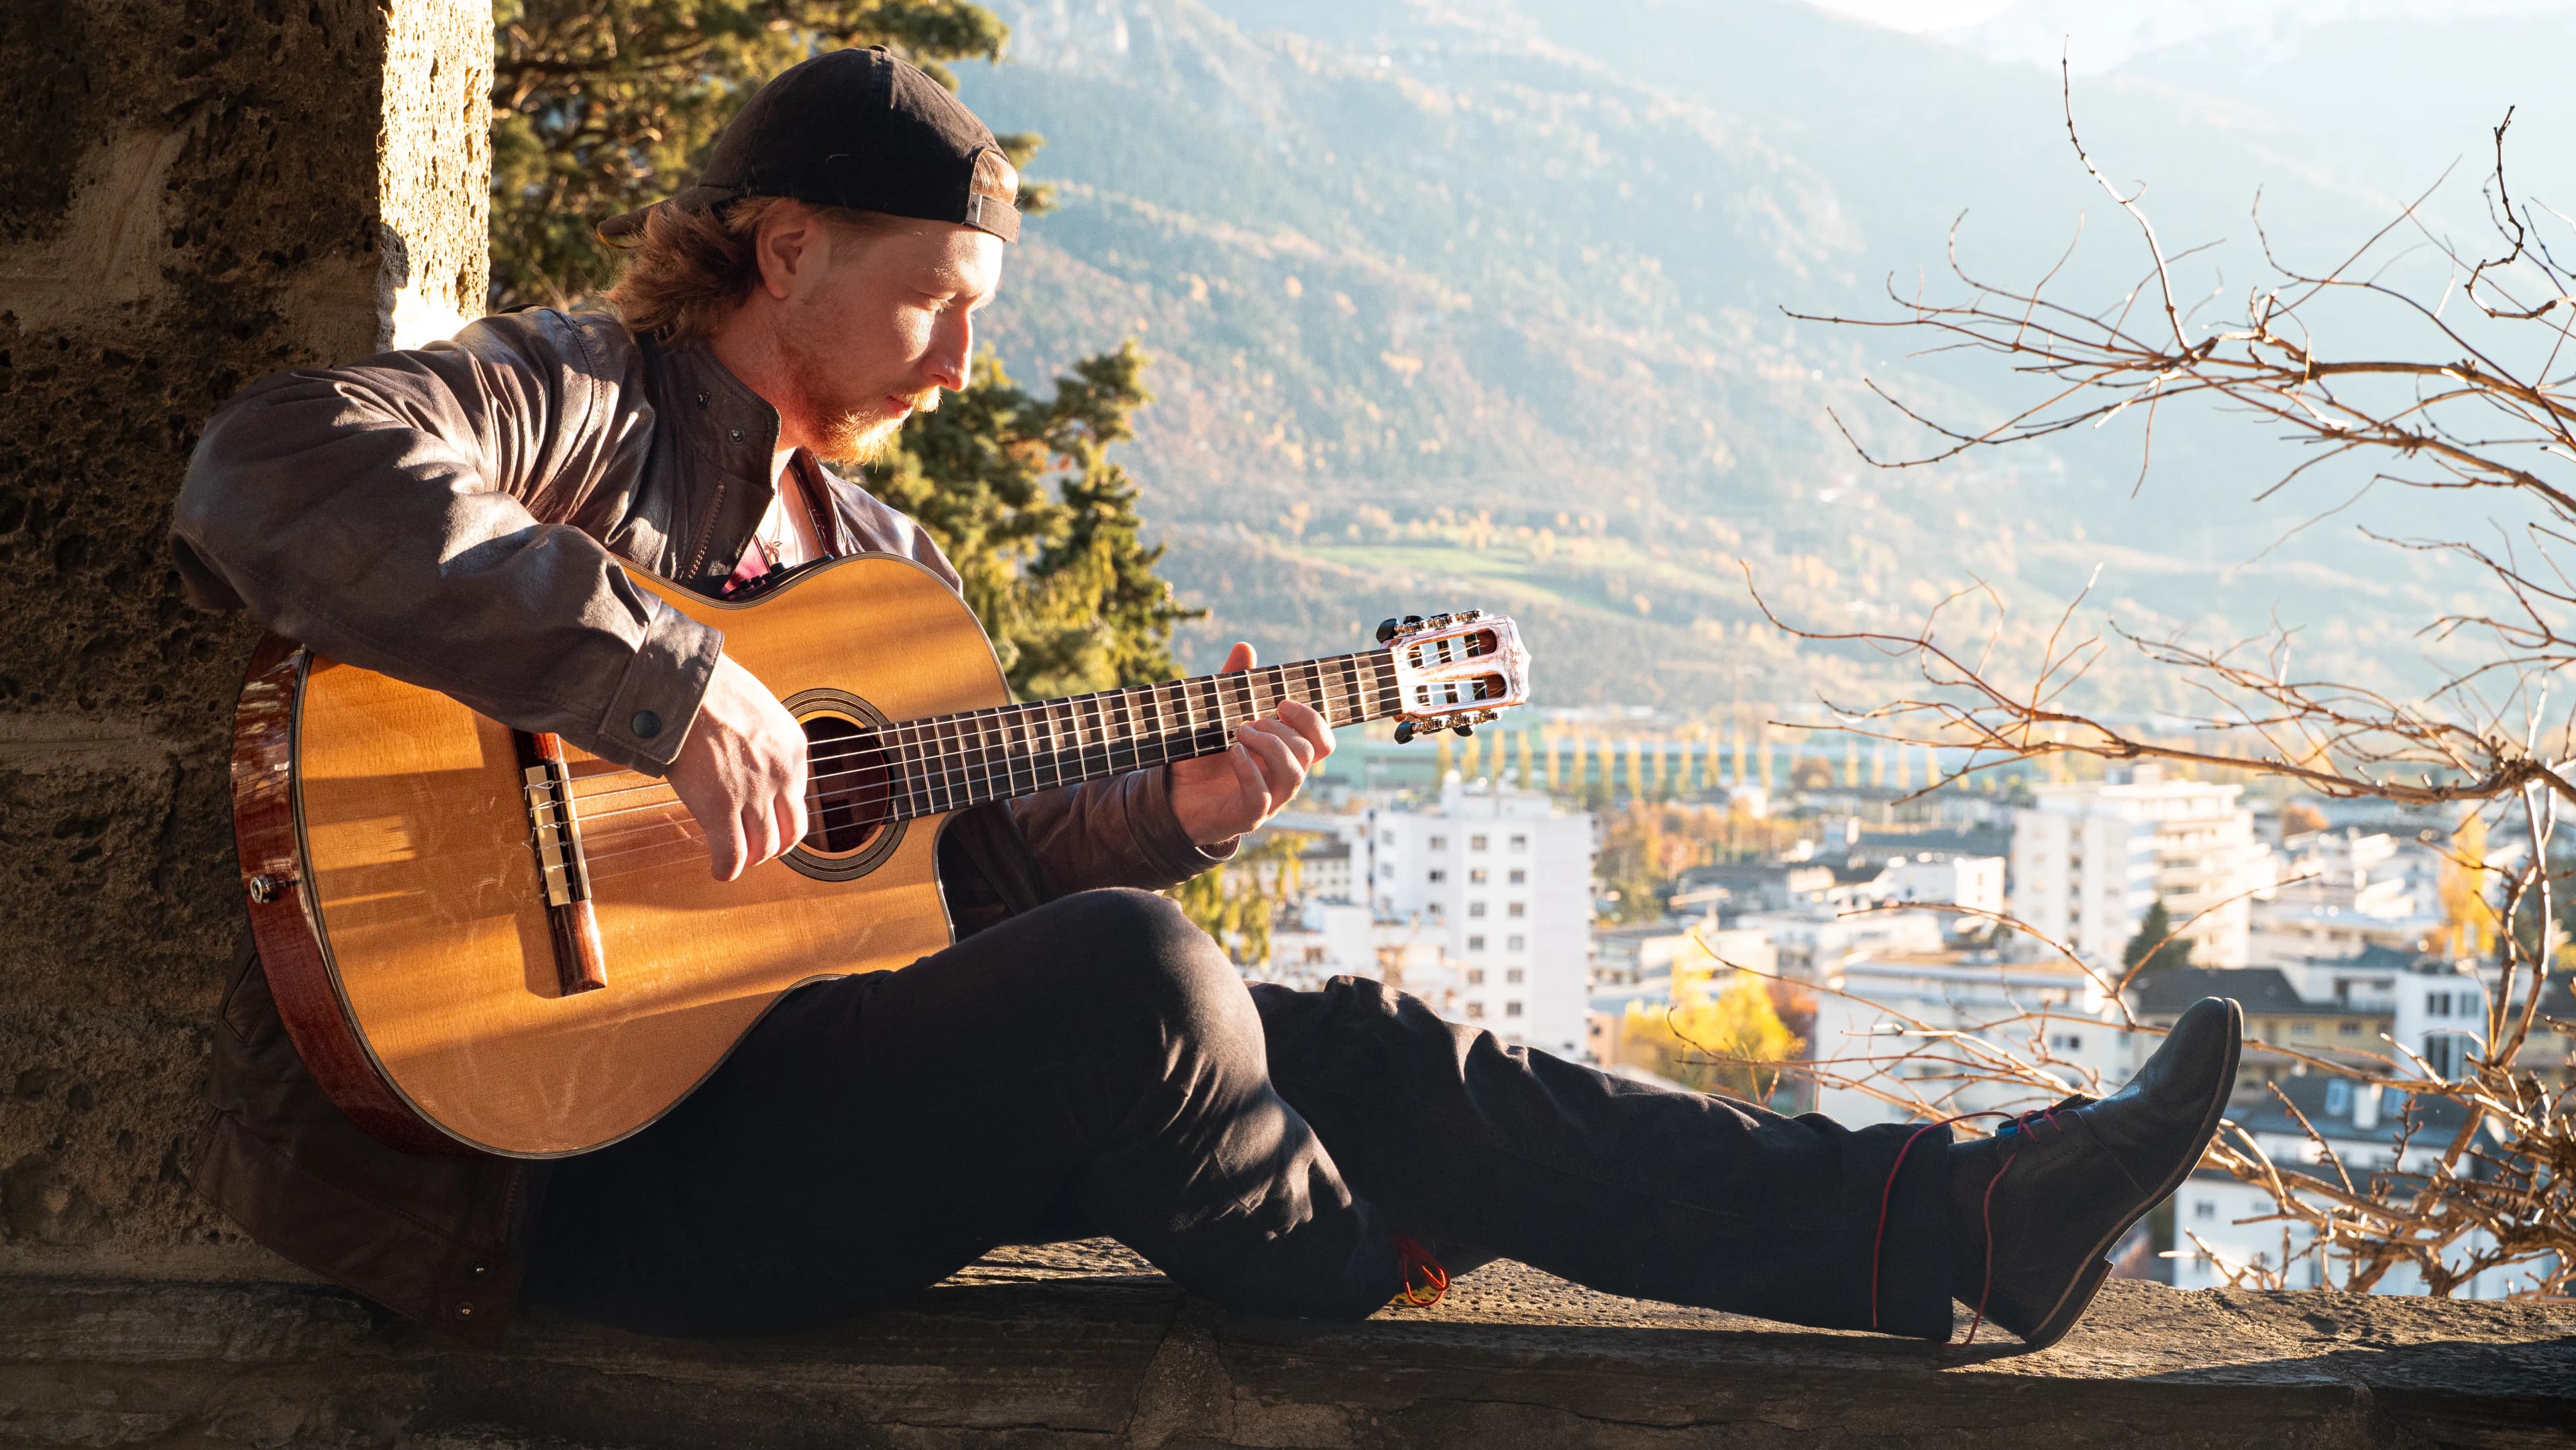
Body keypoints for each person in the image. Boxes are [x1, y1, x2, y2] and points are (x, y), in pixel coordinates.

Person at [170, 46, 2241, 1353]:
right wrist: (658, 673)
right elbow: (271, 469)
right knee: (1151, 991)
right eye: (936, 306)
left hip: (791, 1101)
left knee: (1343, 1027)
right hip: (537, 1174)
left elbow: (950, 906)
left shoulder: (895, 582)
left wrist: (1169, 810)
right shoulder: (576, 409)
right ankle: (1349, 1258)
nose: (963, 370)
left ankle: (1955, 1207)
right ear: (779, 248)